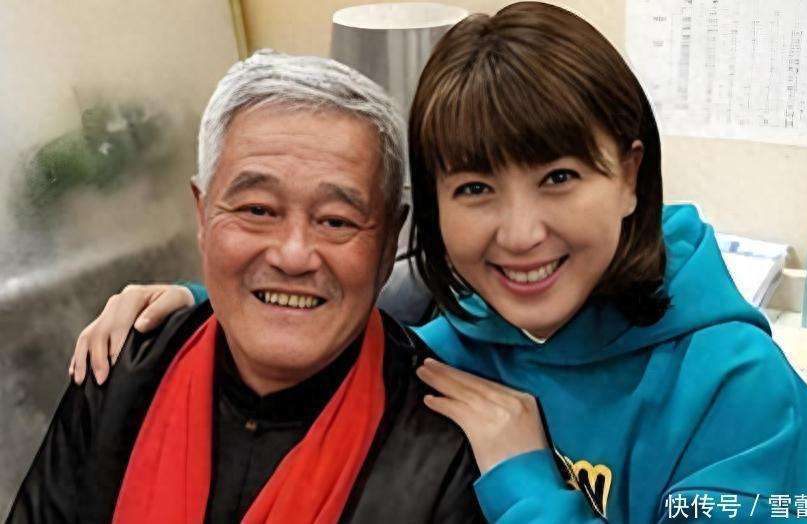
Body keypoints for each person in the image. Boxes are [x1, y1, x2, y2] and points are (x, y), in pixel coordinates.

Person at [63, 3, 807, 523]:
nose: (519, 234)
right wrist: (203, 299)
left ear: (629, 176)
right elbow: (330, 294)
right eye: (474, 188)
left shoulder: (737, 392)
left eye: (558, 178)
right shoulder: (448, 339)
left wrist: (527, 484)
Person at [7, 51, 484, 523]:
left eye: (336, 220)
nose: (293, 255)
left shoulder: (449, 448)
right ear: (202, 214)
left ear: (388, 243)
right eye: (257, 210)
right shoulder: (120, 368)